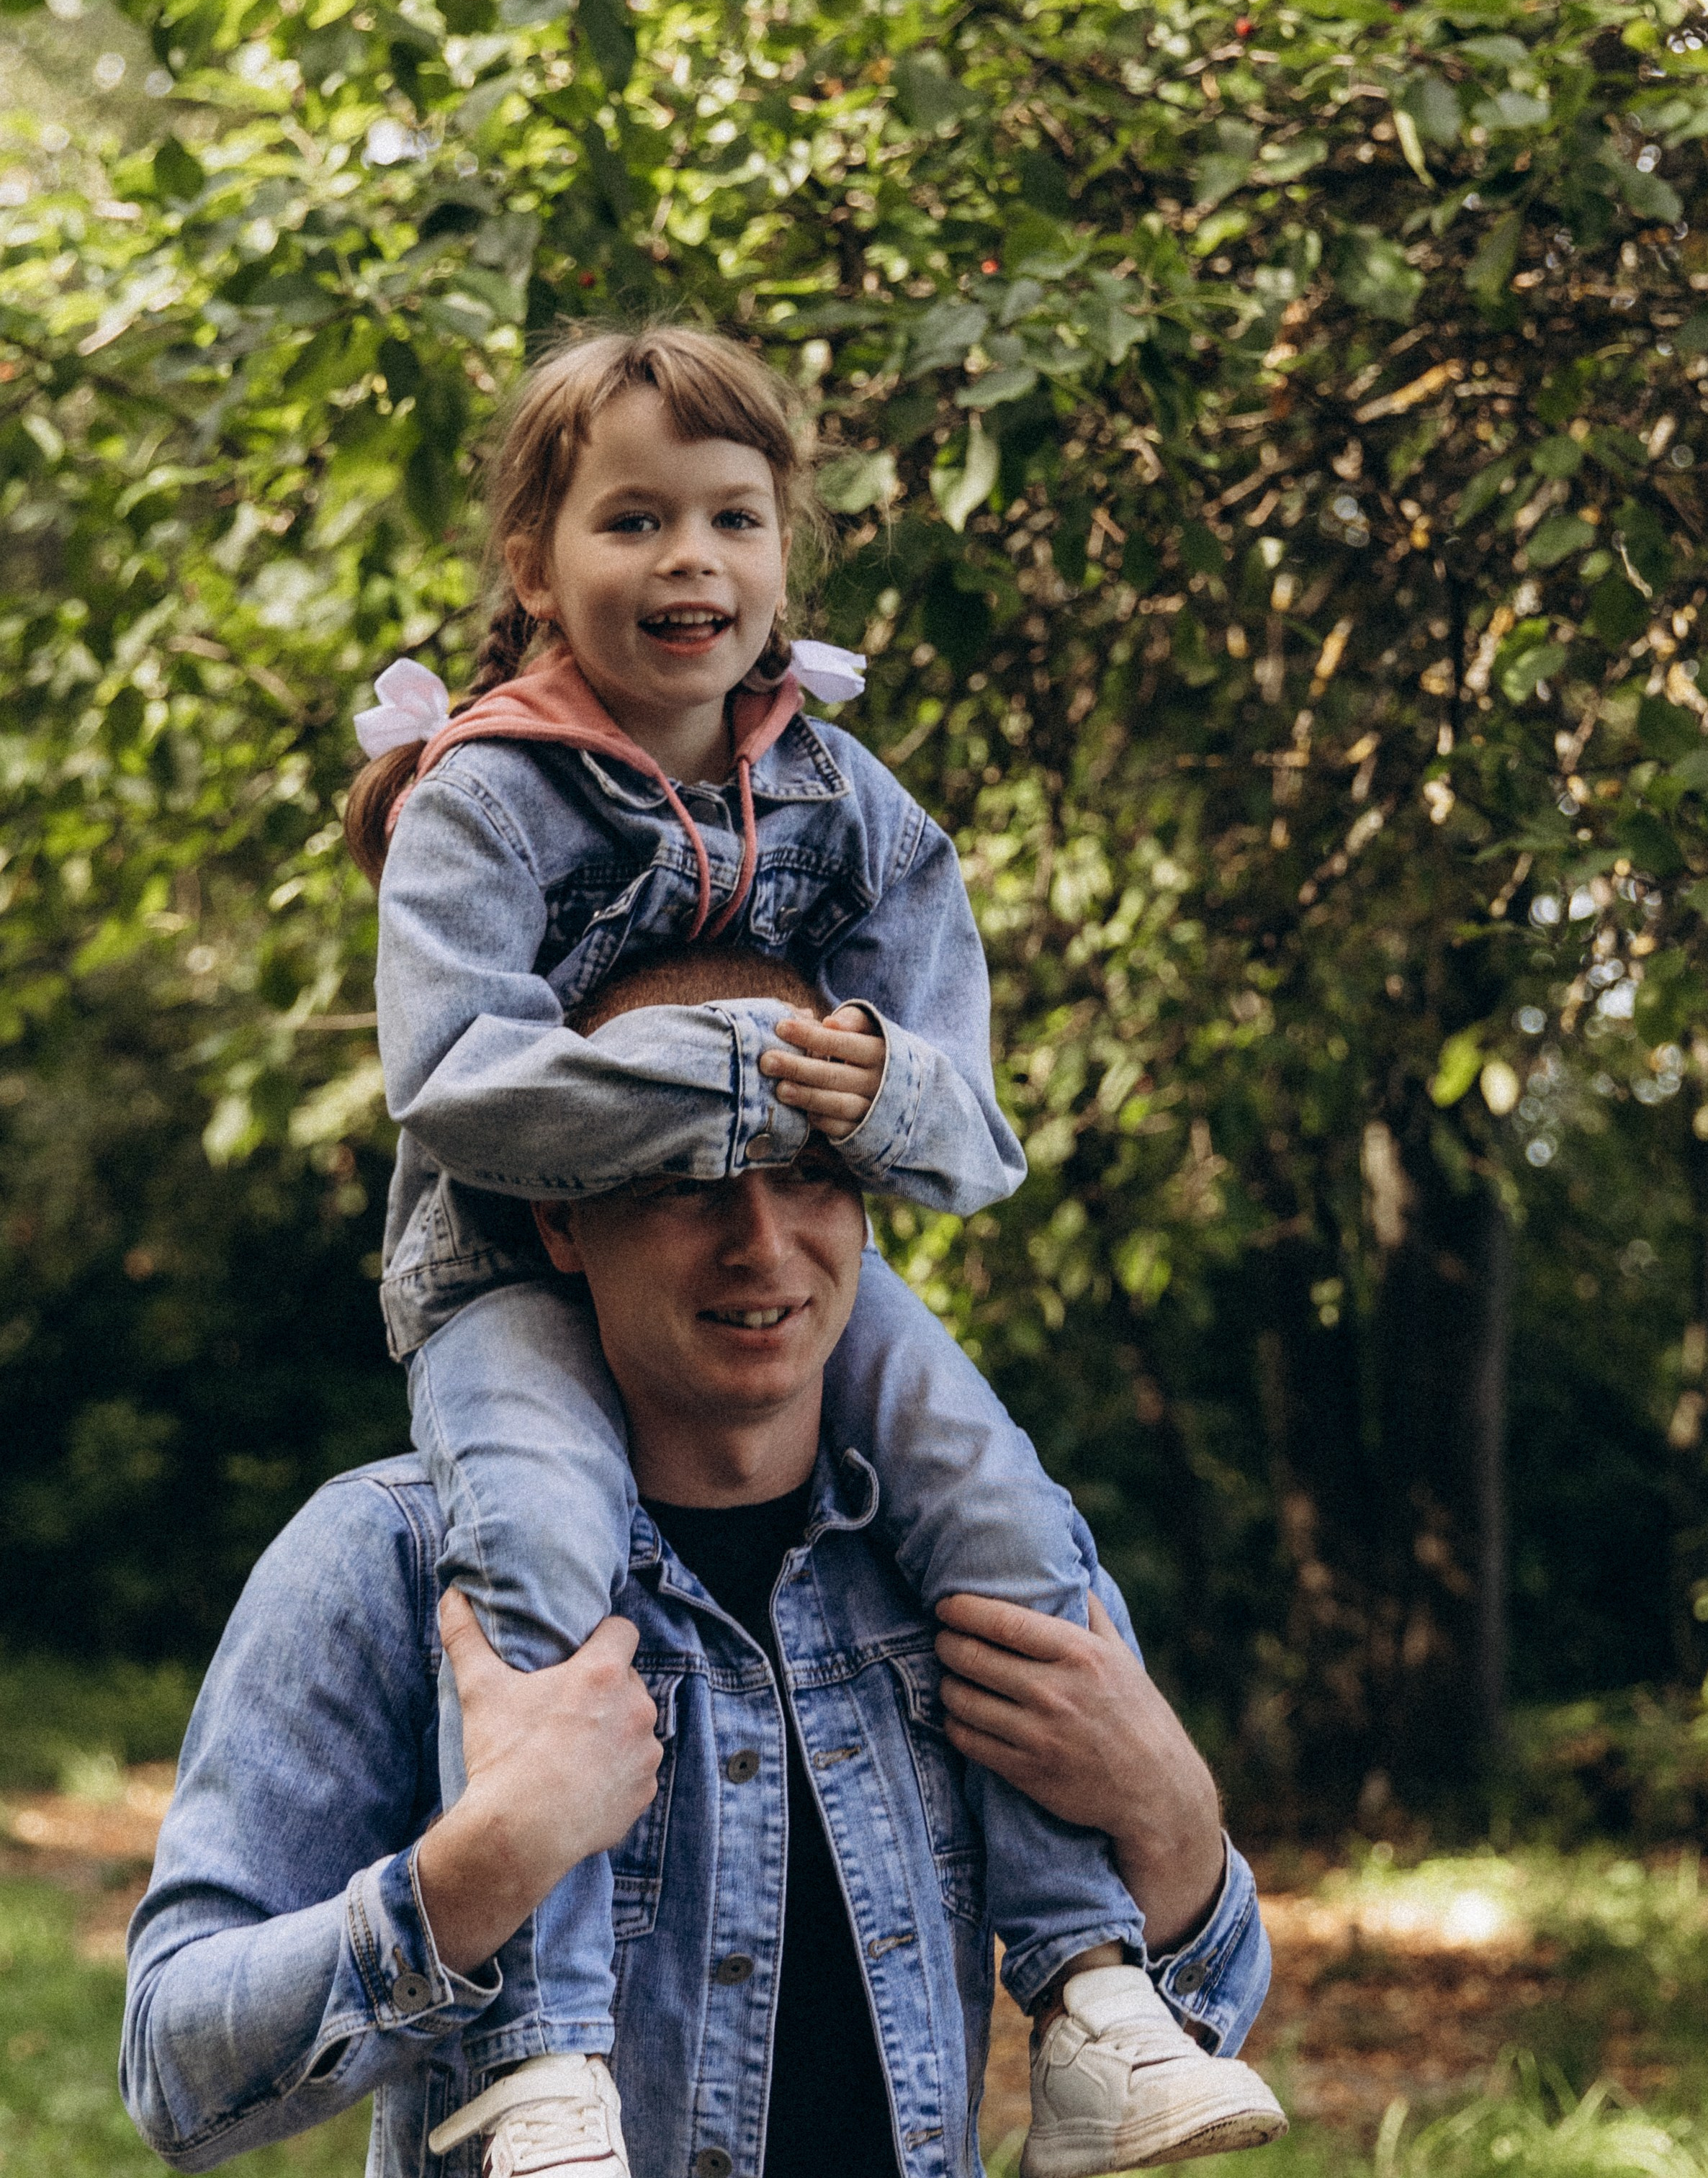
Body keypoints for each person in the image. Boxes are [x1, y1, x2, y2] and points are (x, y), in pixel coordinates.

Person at [338, 326, 1276, 2174]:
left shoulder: (843, 795)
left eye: (731, 519)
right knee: (534, 1542)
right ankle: (543, 2056)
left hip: (775, 1231)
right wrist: (761, 1068)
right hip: (512, 1279)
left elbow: (964, 1127)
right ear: (536, 569)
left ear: (782, 558)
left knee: (1006, 1516)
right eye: (632, 519)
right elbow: (453, 1079)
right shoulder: (485, 793)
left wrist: (878, 1096)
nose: (689, 561)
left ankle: (1090, 1989)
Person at [123, 959, 1281, 2178]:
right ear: (560, 1216)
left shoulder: (973, 1561)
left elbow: (1196, 2033)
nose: (762, 1243)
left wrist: (1173, 1812)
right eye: (688, 1180)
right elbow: (173, 2069)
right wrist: (477, 1870)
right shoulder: (387, 1560)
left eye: (814, 1173)